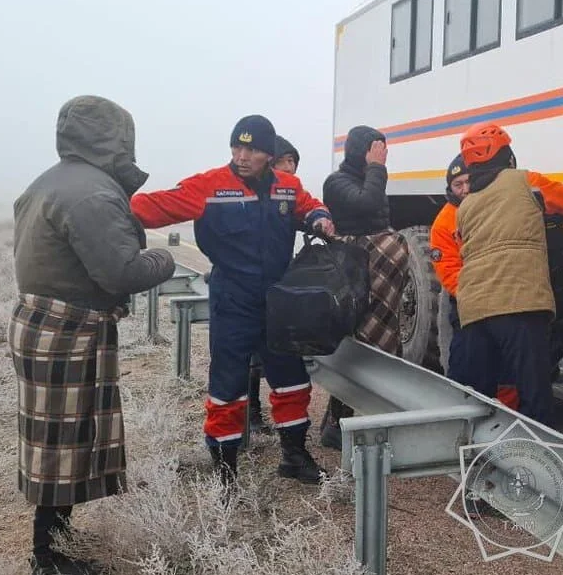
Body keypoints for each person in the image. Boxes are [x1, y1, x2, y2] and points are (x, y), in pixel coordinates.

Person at [11, 95, 176, 575]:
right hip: (69, 332)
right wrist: (166, 259)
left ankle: (56, 545)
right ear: (115, 138)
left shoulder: (49, 181)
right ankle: (48, 561)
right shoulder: (93, 194)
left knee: (56, 442)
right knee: (62, 444)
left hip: (43, 323)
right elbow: (120, 271)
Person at [130, 116, 334, 487]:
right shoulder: (208, 186)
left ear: (268, 154)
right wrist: (107, 204)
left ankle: (294, 457)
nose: (242, 156)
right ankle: (225, 471)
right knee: (228, 383)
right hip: (233, 298)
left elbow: (310, 206)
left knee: (291, 380)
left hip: (277, 299)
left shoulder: (287, 187)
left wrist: (320, 217)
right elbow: (151, 207)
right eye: (236, 147)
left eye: (252, 149)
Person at [430, 153, 563, 408]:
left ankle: (510, 414)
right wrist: (478, 290)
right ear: (449, 188)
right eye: (457, 185)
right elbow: (448, 269)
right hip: (470, 300)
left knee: (514, 367)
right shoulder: (444, 221)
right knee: (467, 366)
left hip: (503, 293)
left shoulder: (504, 198)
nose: (464, 189)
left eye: (467, 182)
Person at [452, 122, 557, 424]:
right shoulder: (525, 181)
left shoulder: (465, 205)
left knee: (480, 398)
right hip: (519, 300)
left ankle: (482, 460)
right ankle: (535, 463)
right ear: (506, 156)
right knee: (534, 396)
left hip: (474, 308)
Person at [318, 125, 410, 449]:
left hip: (382, 278)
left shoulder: (369, 177)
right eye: (377, 148)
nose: (383, 155)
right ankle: (337, 423)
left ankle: (369, 421)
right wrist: (377, 169)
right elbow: (368, 205)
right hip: (357, 271)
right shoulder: (337, 182)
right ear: (363, 151)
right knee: (355, 340)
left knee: (384, 340)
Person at [245, 134, 303, 436]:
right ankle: (251, 412)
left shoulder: (289, 193)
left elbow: (308, 212)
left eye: (294, 160)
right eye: (285, 160)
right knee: (252, 352)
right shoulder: (250, 193)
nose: (291, 166)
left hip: (276, 284)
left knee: (272, 349)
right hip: (246, 286)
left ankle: (284, 430)